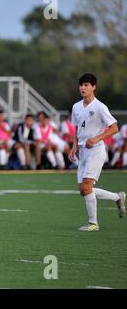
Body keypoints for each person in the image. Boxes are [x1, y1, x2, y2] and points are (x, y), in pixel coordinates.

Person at [68, 73, 125, 231]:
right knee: (84, 190)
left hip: (96, 151)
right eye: (81, 85)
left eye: (86, 85)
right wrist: (74, 147)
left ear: (94, 87)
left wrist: (97, 138)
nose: (82, 88)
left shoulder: (100, 107)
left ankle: (93, 223)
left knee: (87, 188)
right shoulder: (76, 107)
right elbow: (77, 129)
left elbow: (114, 128)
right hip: (82, 152)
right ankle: (117, 197)